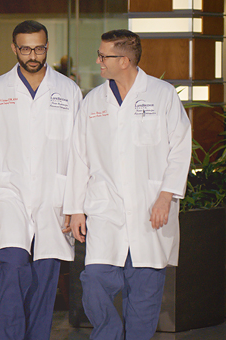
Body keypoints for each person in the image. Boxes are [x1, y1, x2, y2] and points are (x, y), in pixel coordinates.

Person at [64, 29, 191, 340]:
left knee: (145, 294)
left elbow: (181, 148)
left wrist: (166, 196)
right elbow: (79, 158)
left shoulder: (162, 95)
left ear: (124, 60)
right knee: (94, 280)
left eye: (104, 56)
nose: (98, 61)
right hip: (106, 209)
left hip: (151, 210)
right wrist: (75, 209)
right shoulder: (93, 100)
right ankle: (107, 334)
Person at [0, 20, 82, 339]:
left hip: (53, 198)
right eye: (26, 48)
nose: (34, 54)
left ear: (47, 47)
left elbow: (79, 153)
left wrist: (76, 205)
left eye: (40, 48)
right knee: (12, 267)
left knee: (45, 280)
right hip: (6, 194)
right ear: (15, 48)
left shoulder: (68, 91)